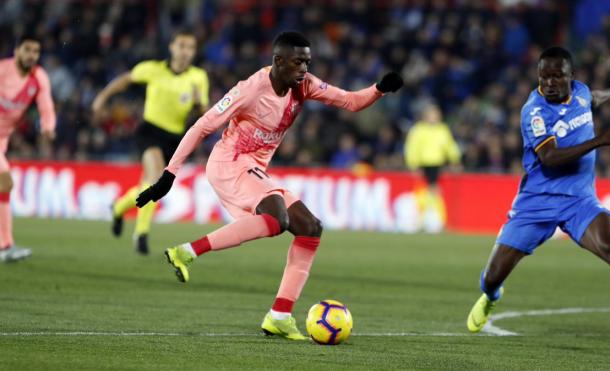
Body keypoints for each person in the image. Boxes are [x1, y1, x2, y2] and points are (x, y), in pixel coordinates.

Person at [136, 31, 403, 340]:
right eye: (298, 62)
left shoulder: (304, 85)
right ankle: (188, 251)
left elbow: (350, 101)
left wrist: (380, 88)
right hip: (229, 164)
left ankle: (279, 315)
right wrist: (169, 175)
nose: (304, 69)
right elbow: (202, 125)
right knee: (278, 218)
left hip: (254, 169)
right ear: (278, 61)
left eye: (307, 62)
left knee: (310, 228)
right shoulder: (249, 90)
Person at [465, 46, 610, 344]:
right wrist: (599, 141)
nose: (550, 83)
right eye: (545, 76)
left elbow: (591, 98)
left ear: (572, 77)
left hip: (579, 201)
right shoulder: (535, 111)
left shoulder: (580, 92)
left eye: (558, 76)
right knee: (492, 277)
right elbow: (551, 158)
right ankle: (491, 296)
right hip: (537, 203)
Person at [92, 29, 209, 254]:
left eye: (190, 48)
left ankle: (118, 208)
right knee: (154, 177)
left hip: (176, 139)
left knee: (150, 184)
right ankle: (141, 233)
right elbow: (124, 81)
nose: (185, 52)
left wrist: (198, 104)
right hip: (149, 132)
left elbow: (204, 112)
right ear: (172, 47)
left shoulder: (198, 78)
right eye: (181, 46)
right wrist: (102, 98)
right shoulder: (153, 69)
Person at [0, 34, 56, 263]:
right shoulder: (3, 70)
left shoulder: (38, 77)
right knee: (6, 182)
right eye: (27, 50)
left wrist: (48, 126)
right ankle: (5, 245)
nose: (32, 55)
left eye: (36, 51)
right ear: (17, 50)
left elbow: (46, 105)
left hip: (2, 139)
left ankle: (4, 245)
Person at [404, 103, 460, 231]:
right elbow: (412, 147)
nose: (435, 117)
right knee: (425, 191)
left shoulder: (442, 129)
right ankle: (426, 219)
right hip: (423, 164)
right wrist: (413, 164)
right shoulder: (418, 129)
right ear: (425, 116)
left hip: (436, 163)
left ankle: (430, 220)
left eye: (436, 114)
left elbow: (450, 146)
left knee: (433, 191)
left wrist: (454, 160)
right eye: (432, 114)